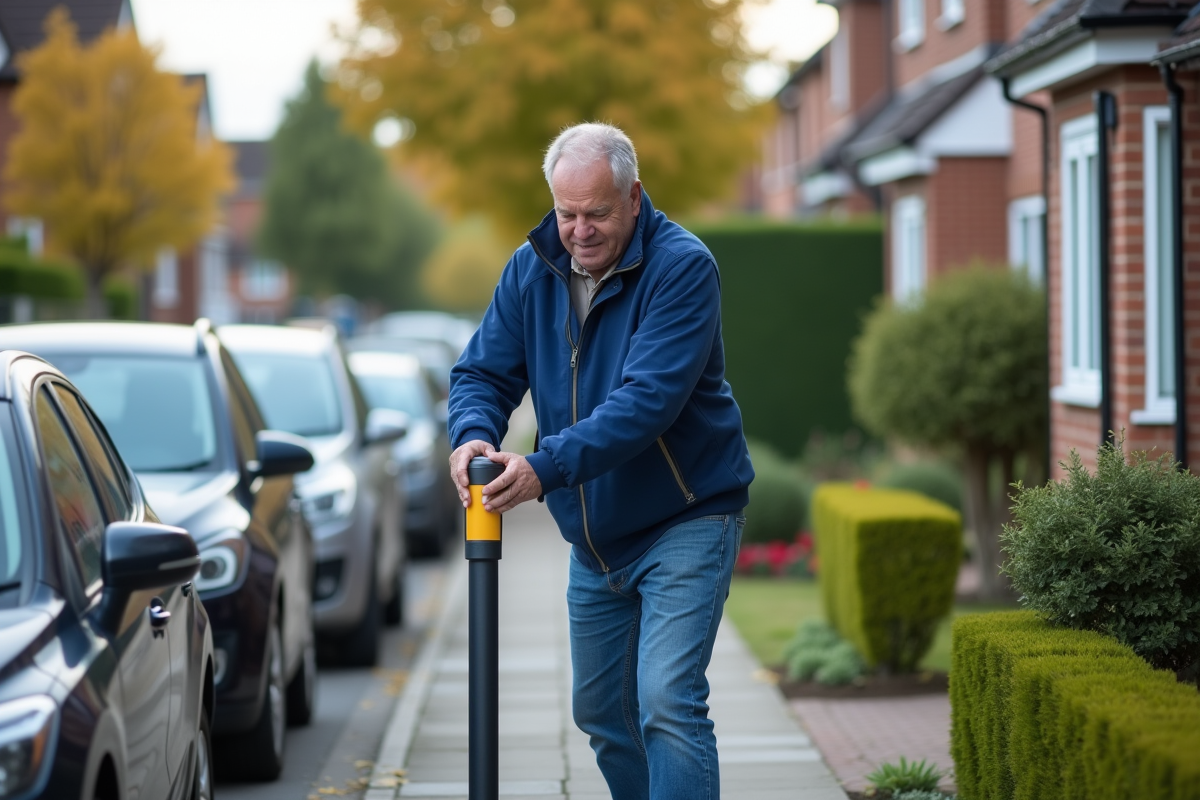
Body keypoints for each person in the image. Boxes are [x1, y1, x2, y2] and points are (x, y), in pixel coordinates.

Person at [447, 122, 754, 800]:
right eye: (566, 213)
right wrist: (471, 434)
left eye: (597, 213)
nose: (578, 230)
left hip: (688, 514)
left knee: (667, 702)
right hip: (595, 539)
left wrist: (542, 467)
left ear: (635, 197)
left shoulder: (681, 267)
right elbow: (482, 373)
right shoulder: (533, 267)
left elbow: (645, 403)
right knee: (604, 717)